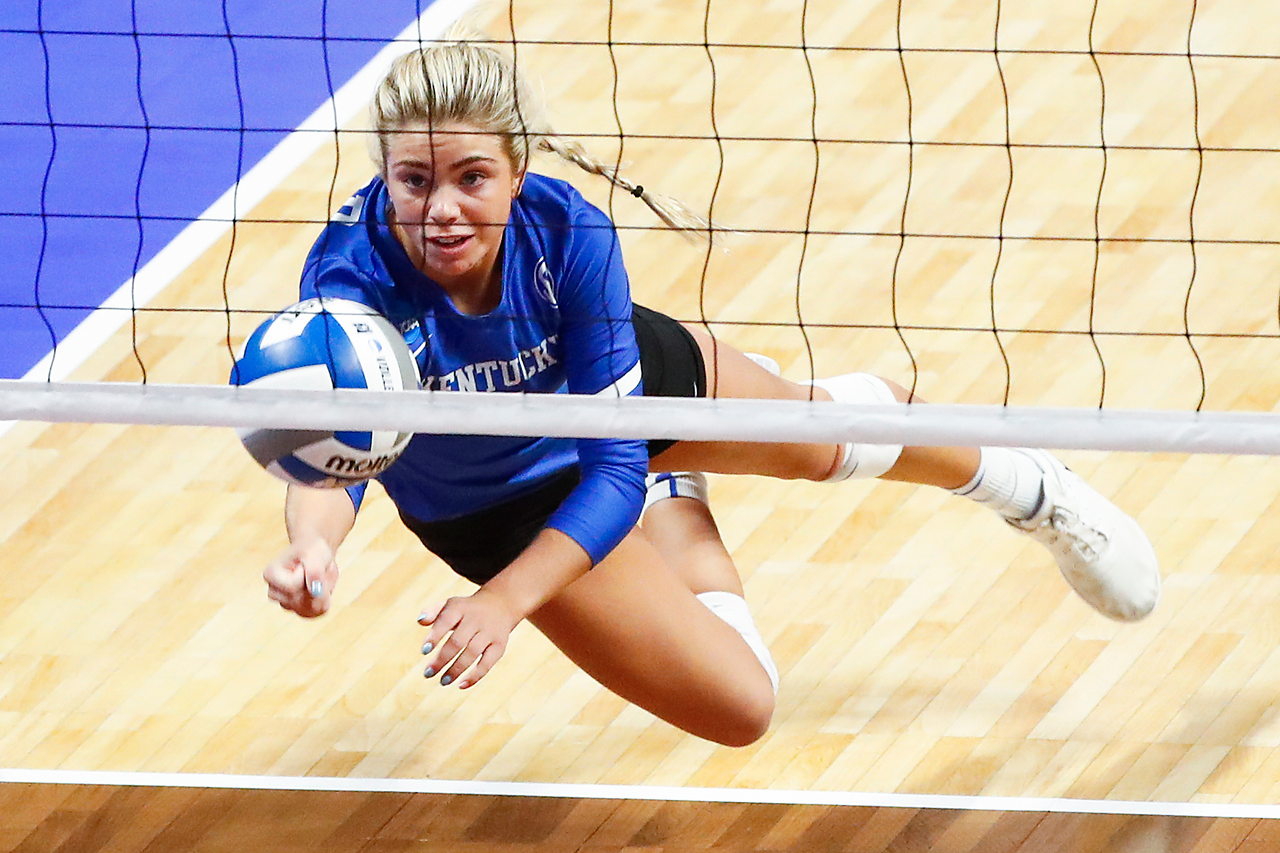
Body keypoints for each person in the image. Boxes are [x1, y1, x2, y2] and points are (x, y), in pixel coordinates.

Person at [260, 27, 1160, 747]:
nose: (443, 209)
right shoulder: (350, 285)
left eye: (472, 178)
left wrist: (503, 603)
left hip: (610, 395)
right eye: (415, 181)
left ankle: (1037, 491)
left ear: (517, 172)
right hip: (498, 503)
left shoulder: (567, 234)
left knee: (823, 442)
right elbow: (333, 453)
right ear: (384, 176)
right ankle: (677, 492)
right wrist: (314, 547)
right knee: (743, 705)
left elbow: (613, 466)